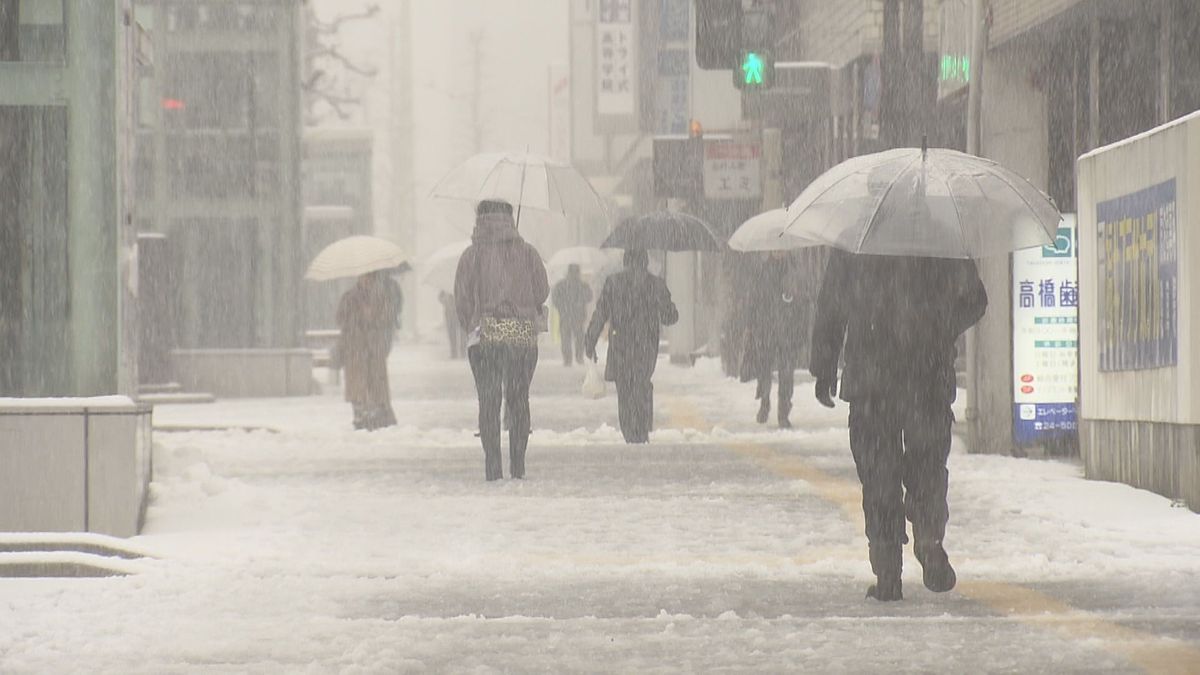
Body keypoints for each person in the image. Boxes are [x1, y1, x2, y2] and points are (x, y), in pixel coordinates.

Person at [810, 251, 987, 602]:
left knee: (879, 475)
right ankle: (929, 538)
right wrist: (938, 327)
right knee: (928, 465)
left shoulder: (856, 244)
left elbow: (832, 305)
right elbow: (976, 300)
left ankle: (887, 570)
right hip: (928, 376)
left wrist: (825, 365)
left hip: (872, 381)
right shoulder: (940, 238)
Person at [454, 199, 549, 481]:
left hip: (485, 339)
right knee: (519, 400)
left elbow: (461, 299)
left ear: (479, 219)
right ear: (510, 219)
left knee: (489, 400)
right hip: (521, 338)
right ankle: (518, 465)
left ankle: (493, 467)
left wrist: (472, 323)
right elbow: (542, 291)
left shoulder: (471, 256)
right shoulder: (529, 253)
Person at [584, 249, 678, 444]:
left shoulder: (613, 283)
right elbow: (670, 317)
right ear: (645, 262)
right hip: (646, 345)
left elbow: (601, 313)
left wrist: (590, 340)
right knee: (642, 384)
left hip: (621, 344)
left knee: (625, 390)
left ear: (626, 261)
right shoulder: (655, 284)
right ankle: (642, 428)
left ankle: (630, 431)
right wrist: (665, 306)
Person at [739, 252, 806, 429]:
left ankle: (783, 412)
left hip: (787, 332)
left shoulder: (793, 272)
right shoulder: (761, 272)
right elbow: (753, 301)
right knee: (764, 370)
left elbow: (802, 303)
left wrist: (799, 328)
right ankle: (765, 402)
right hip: (765, 330)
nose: (778, 252)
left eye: (781, 248)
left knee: (786, 373)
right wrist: (750, 326)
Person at [336, 270, 401, 430]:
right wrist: (357, 318)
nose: (366, 281)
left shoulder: (381, 297)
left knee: (376, 384)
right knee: (357, 385)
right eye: (364, 277)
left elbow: (388, 319)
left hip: (373, 349)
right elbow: (340, 319)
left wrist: (374, 318)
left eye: (369, 278)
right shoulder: (349, 297)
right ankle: (360, 415)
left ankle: (378, 415)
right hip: (355, 349)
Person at [551, 263, 593, 366]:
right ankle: (579, 357)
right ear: (578, 273)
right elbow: (589, 297)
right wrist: (579, 302)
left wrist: (562, 307)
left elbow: (555, 299)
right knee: (579, 338)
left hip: (565, 316)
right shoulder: (583, 285)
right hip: (579, 316)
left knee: (566, 338)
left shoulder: (561, 285)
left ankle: (567, 359)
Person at [438, 291, 464, 359]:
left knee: (463, 334)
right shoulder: (446, 287)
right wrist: (444, 300)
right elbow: (440, 297)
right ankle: (454, 353)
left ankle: (463, 353)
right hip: (450, 314)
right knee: (451, 334)